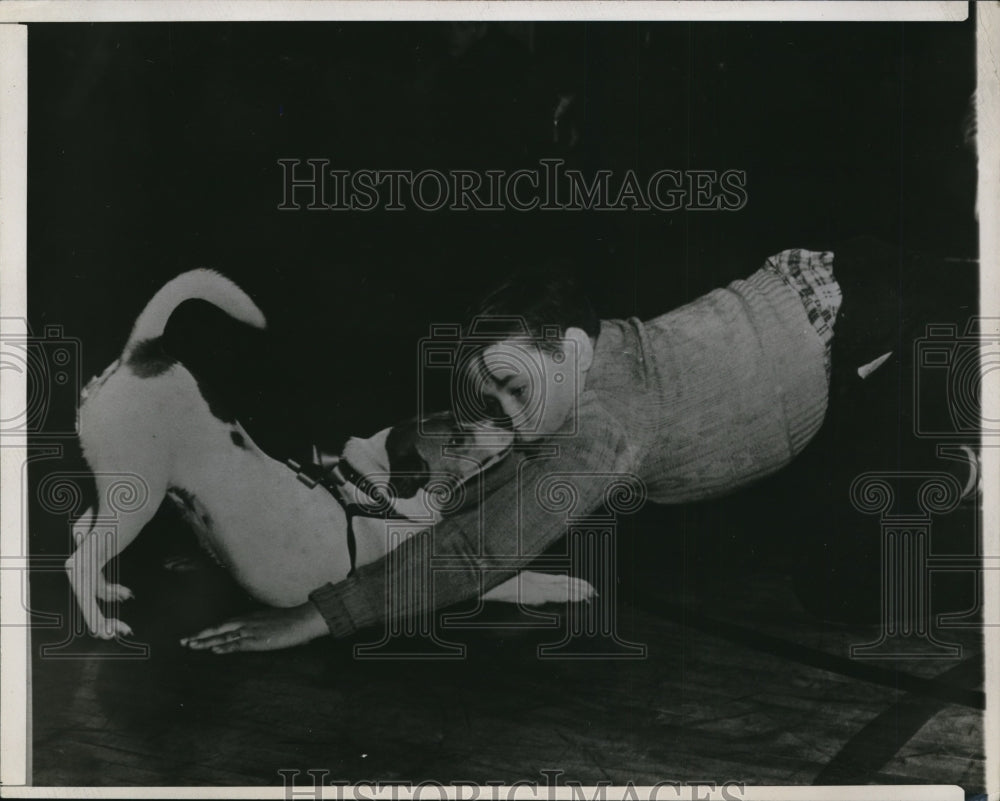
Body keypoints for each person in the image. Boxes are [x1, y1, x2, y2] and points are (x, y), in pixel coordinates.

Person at [182, 238, 977, 653]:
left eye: (517, 389)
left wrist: (318, 617)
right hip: (841, 340)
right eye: (490, 389)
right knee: (836, 583)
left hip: (899, 326)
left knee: (865, 557)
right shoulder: (582, 369)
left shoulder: (601, 430)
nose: (507, 411)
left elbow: (478, 551)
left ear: (575, 351)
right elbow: (487, 504)